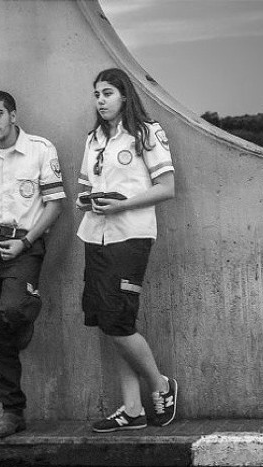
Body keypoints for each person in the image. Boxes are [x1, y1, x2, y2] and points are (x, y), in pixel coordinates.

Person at [75, 68, 178, 432]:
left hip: (130, 237)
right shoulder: (94, 139)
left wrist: (122, 205)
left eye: (107, 93)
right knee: (110, 322)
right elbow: (85, 185)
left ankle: (161, 386)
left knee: (119, 321)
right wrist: (87, 201)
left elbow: (166, 188)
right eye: (97, 94)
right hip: (95, 235)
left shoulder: (147, 134)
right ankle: (132, 410)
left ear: (124, 96)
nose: (100, 100)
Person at [0, 91, 65, 438]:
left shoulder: (40, 149)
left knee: (13, 310)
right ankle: (12, 410)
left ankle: (26, 314)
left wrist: (24, 241)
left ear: (12, 114)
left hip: (26, 242)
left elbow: (54, 204)